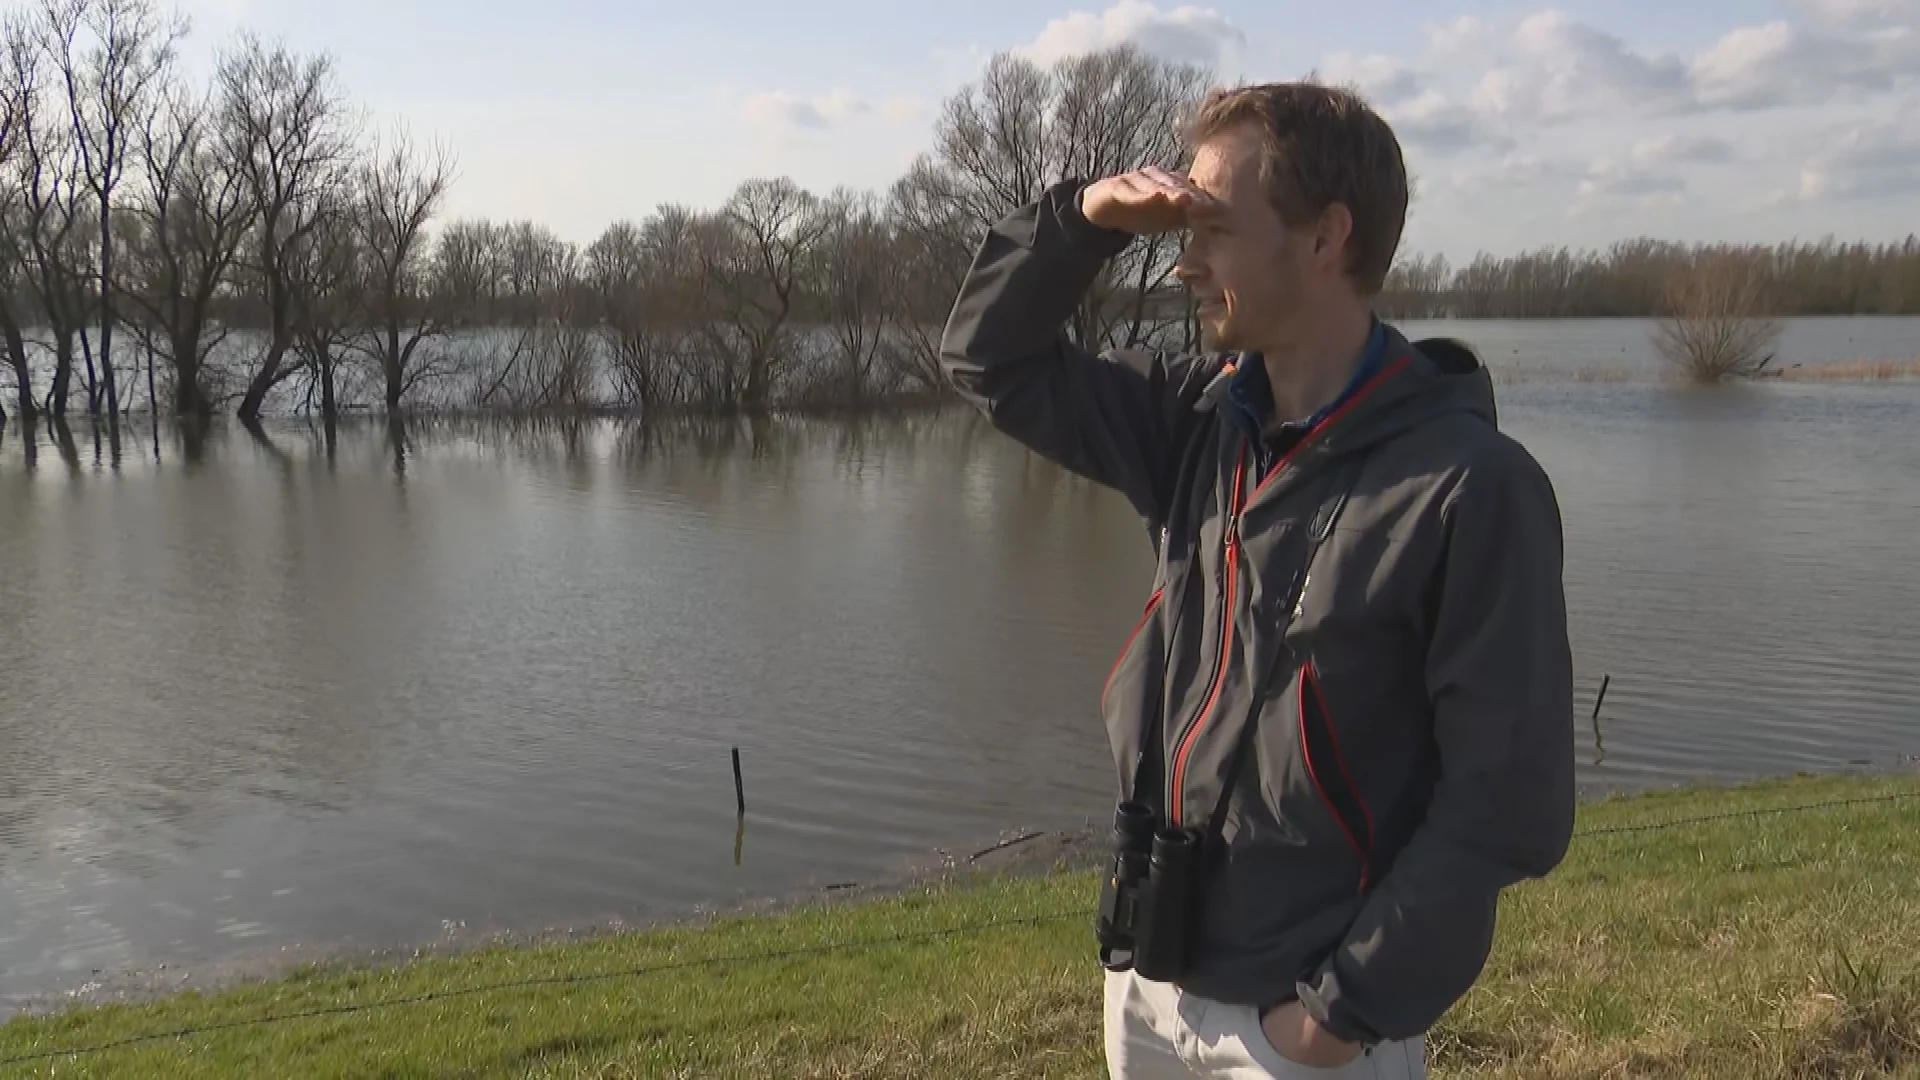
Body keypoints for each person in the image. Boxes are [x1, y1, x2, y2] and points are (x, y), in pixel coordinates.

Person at [939, 81, 1576, 1079]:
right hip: (1148, 985)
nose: (1184, 260)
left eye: (1213, 229)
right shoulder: (1196, 426)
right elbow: (989, 361)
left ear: (1326, 238)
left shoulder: (1469, 489)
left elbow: (1508, 806)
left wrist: (1336, 1019)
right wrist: (1086, 218)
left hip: (1305, 1028)